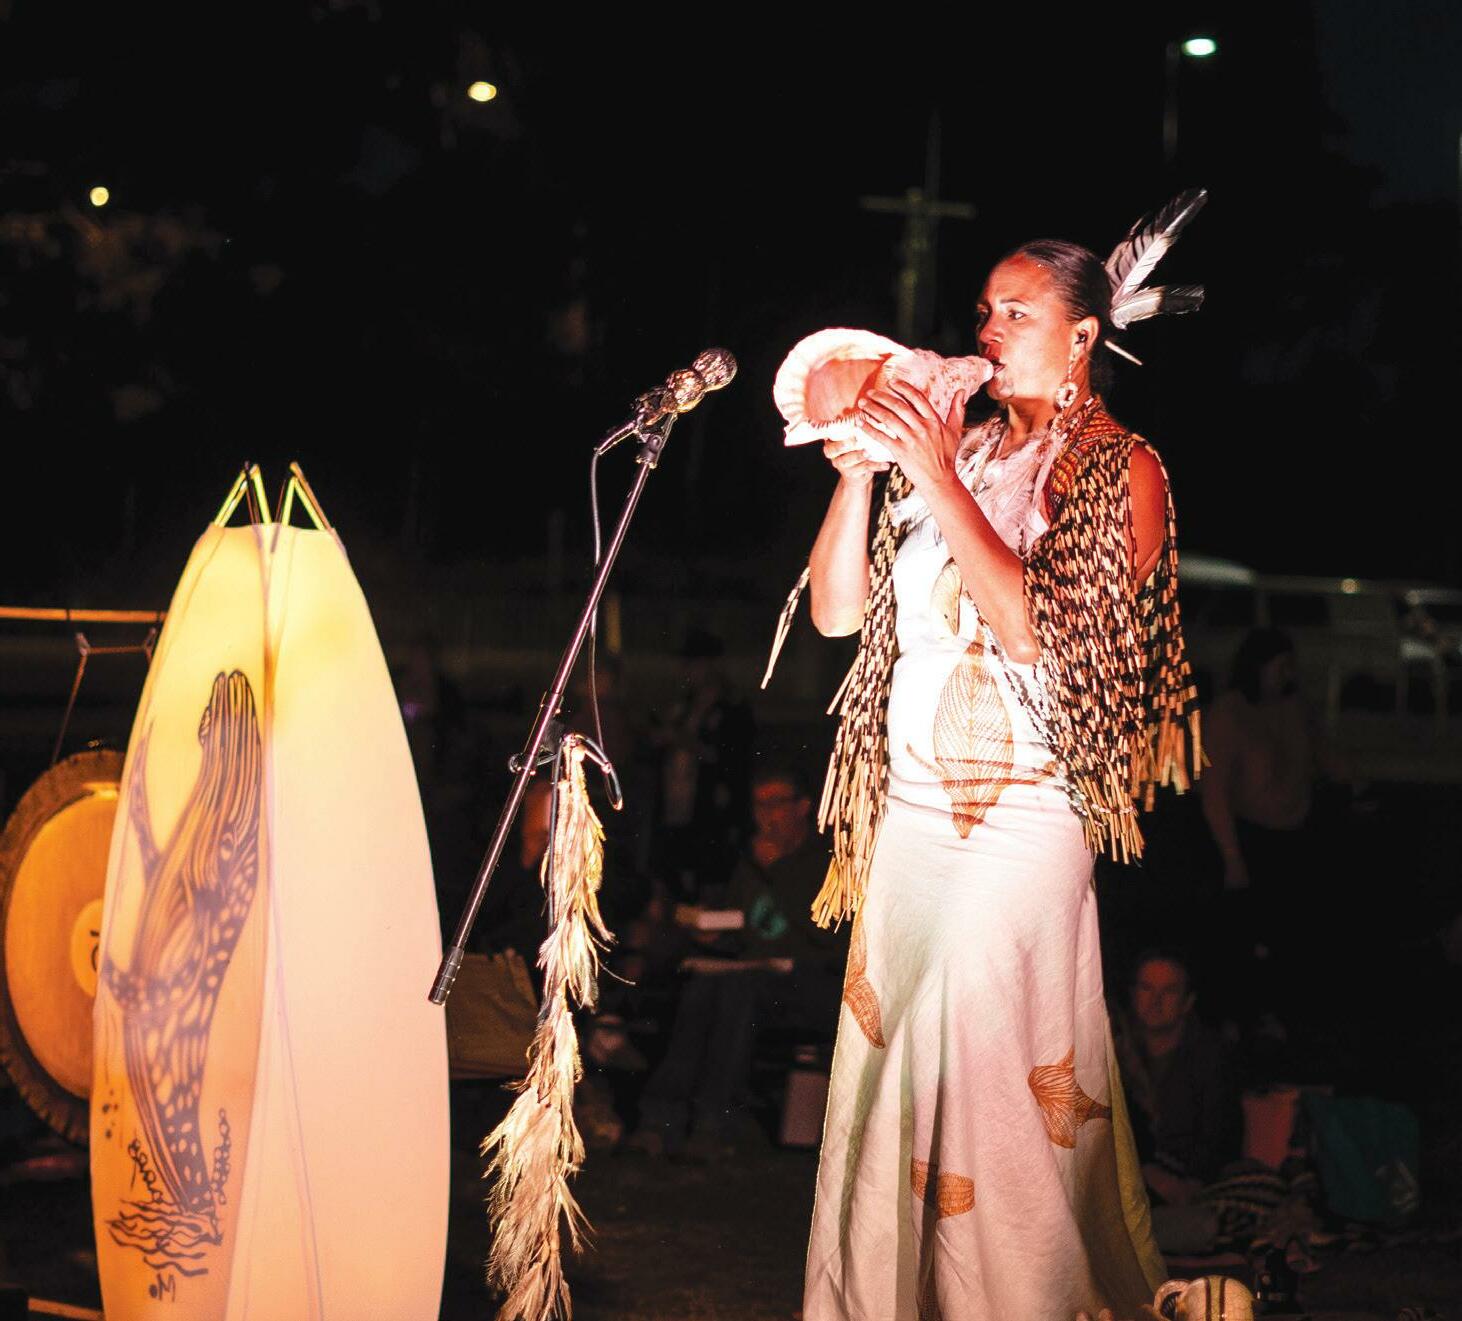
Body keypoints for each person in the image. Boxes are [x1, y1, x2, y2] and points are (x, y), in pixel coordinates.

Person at [797, 230, 1201, 1318]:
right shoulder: (964, 450)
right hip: (913, 820)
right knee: (896, 1061)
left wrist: (932, 475)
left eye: (1017, 313)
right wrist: (859, 477)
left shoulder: (1123, 468)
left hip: (1019, 821)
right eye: (984, 309)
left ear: (1083, 336)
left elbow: (1037, 635)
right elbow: (835, 614)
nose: (988, 330)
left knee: (978, 1067)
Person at [627, 766, 845, 1157]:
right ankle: (660, 1120)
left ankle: (712, 1123)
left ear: (802, 807)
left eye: (776, 803)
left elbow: (822, 932)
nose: (766, 816)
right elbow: (749, 924)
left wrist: (777, 869)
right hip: (752, 972)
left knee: (737, 992)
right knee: (702, 987)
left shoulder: (823, 863)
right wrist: (714, 931)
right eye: (759, 805)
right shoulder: (753, 861)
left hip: (806, 980)